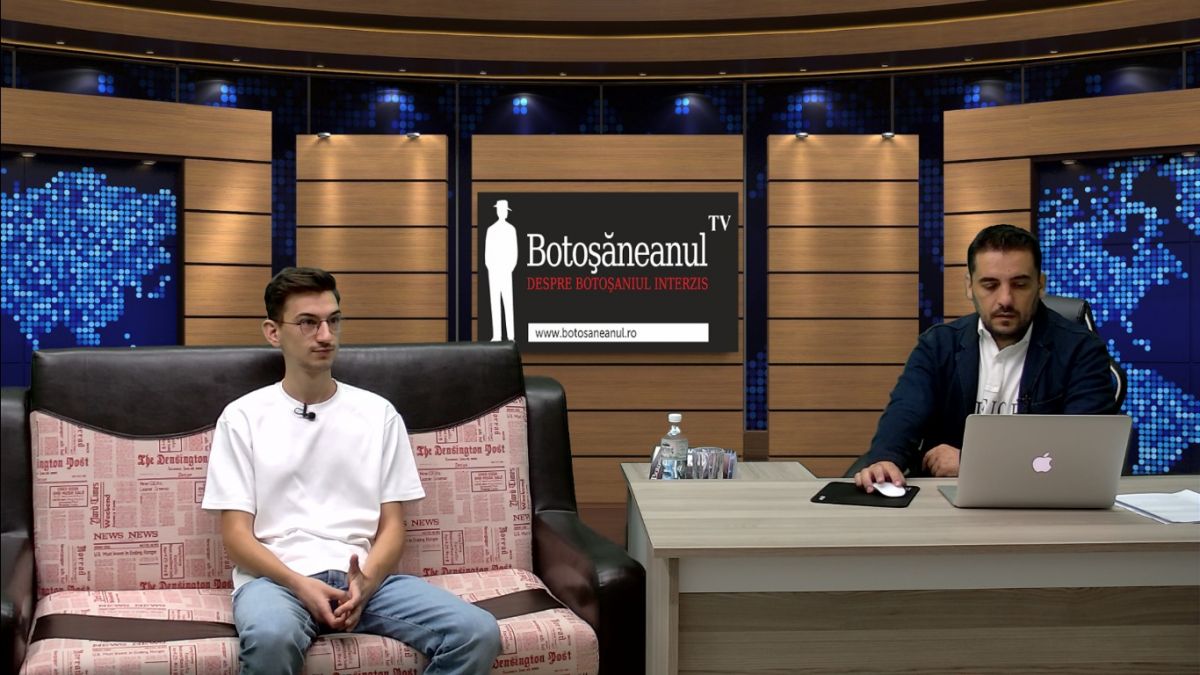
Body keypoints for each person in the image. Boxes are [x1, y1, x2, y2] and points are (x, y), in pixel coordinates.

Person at [202, 267, 502, 674]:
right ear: (273, 332)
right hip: (277, 582)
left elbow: (393, 526)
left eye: (334, 321)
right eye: (308, 323)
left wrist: (366, 582)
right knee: (272, 637)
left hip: (365, 580)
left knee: (476, 632)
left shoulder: (378, 414)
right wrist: (299, 584)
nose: (325, 335)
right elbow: (237, 537)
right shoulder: (242, 417)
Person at [854, 224, 1117, 492]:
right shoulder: (938, 345)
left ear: (1040, 285)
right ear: (970, 286)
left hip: (1044, 499)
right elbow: (903, 416)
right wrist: (885, 460)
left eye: (1020, 284)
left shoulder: (1081, 350)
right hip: (945, 503)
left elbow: (1083, 455)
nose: (1005, 299)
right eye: (990, 285)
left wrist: (972, 463)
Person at [485, 199, 518, 342]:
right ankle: (497, 335)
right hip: (493, 271)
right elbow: (487, 253)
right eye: (500, 210)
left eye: (504, 210)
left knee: (508, 302)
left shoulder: (511, 229)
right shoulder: (491, 230)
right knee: (495, 303)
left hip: (505, 270)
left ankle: (510, 335)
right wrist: (491, 267)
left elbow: (514, 252)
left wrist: (509, 267)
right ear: (498, 211)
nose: (502, 212)